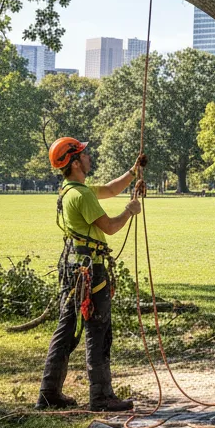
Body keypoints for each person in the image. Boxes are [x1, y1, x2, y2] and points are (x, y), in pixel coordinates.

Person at [37, 138, 144, 412]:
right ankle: (101, 397)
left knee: (67, 331)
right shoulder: (81, 195)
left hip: (74, 268)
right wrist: (129, 211)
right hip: (90, 271)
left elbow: (110, 189)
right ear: (75, 162)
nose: (89, 157)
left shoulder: (71, 190)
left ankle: (49, 393)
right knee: (99, 330)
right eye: (84, 154)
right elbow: (109, 226)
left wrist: (133, 172)